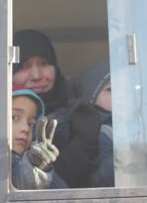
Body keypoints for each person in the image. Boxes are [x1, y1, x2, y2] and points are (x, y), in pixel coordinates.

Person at [12, 29, 102, 188]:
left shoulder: (80, 112)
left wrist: (86, 145)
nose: (36, 75)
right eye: (24, 66)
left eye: (44, 63)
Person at [70, 61, 114, 187]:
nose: (120, 93)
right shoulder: (100, 132)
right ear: (90, 97)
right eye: (110, 89)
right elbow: (97, 179)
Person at [11, 83, 61, 189]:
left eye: (31, 124)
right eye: (14, 117)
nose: (26, 129)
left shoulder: (32, 159)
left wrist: (39, 165)